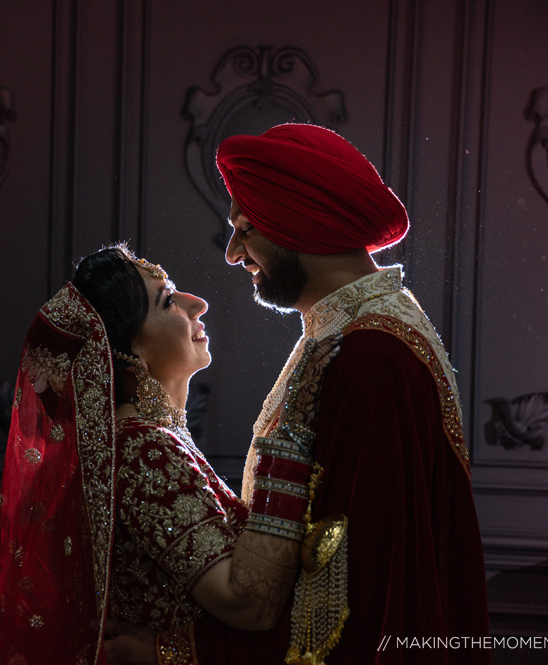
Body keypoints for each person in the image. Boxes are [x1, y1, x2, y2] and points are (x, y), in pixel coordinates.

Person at [110, 123, 491, 664]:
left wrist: (173, 654)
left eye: (245, 229)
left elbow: (354, 597)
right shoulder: (347, 336)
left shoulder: (371, 358)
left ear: (299, 225)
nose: (233, 253)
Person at [0, 243, 322, 665]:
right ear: (130, 355)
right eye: (168, 301)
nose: (197, 304)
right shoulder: (143, 450)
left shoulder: (146, 440)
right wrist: (291, 443)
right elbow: (247, 603)